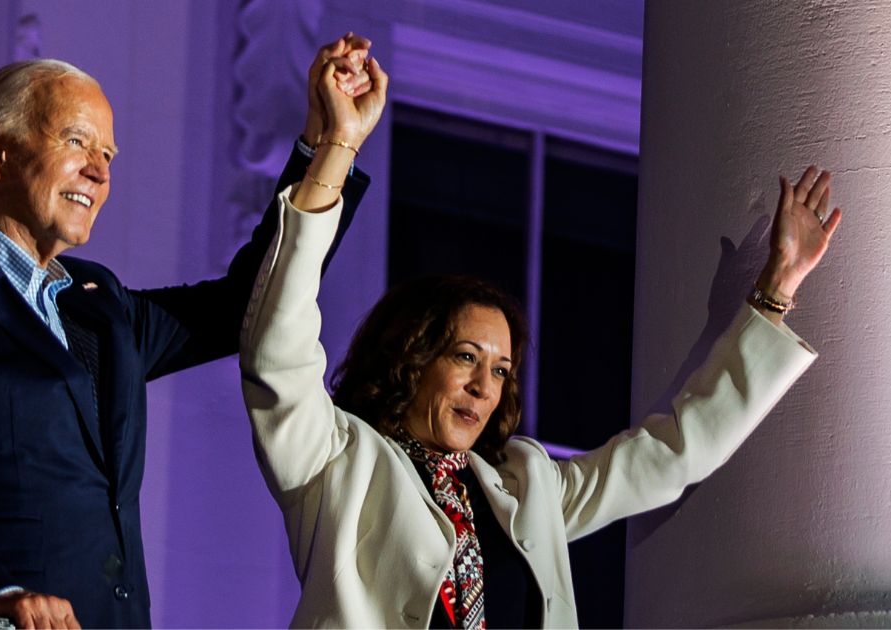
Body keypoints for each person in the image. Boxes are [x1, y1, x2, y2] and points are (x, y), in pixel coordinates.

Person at [238, 55, 843, 627]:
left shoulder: (526, 484)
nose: (485, 386)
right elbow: (277, 345)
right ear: (411, 359)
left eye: (501, 370)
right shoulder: (336, 461)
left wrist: (775, 289)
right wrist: (338, 147)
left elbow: (674, 454)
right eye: (466, 357)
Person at [0, 35, 375, 629]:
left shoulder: (100, 305)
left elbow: (245, 304)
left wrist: (332, 145)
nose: (97, 170)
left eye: (109, 156)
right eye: (75, 141)